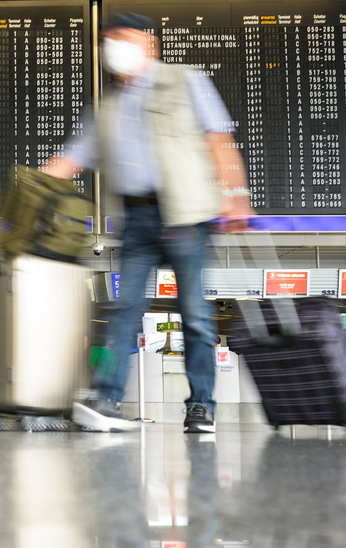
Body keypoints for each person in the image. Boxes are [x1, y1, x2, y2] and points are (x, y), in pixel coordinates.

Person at [44, 12, 253, 433]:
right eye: (108, 40)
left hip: (185, 216)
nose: (113, 46)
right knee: (124, 310)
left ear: (149, 43)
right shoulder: (106, 108)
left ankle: (201, 406)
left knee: (194, 315)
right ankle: (106, 401)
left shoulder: (186, 80)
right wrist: (28, 194)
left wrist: (236, 197)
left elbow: (218, 138)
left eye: (123, 37)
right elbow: (69, 160)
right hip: (136, 219)